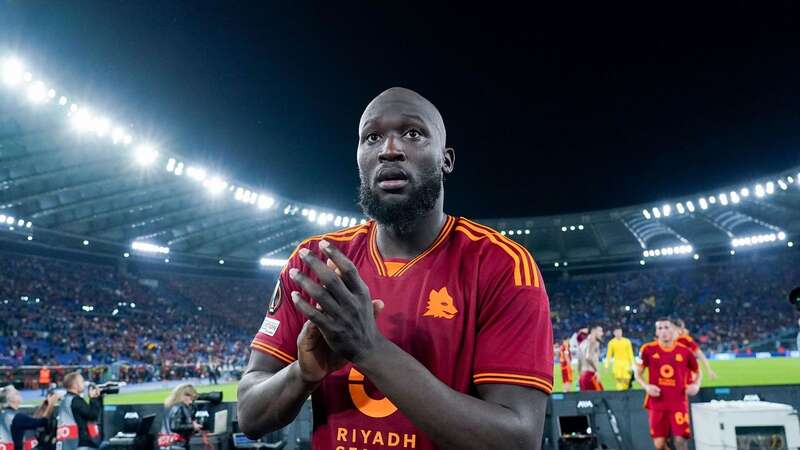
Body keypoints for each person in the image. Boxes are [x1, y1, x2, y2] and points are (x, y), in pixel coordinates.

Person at [238, 87, 553, 450]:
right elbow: (250, 414)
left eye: (413, 133)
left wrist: (368, 348)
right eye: (372, 137)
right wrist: (302, 374)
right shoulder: (314, 261)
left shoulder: (501, 265)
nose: (389, 149)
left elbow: (518, 441)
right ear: (359, 157)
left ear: (446, 159)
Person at [634, 319, 702, 450]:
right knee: (659, 444)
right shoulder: (647, 349)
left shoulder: (685, 352)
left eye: (666, 327)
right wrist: (646, 386)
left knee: (680, 440)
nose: (663, 331)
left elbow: (697, 371)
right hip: (657, 403)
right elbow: (638, 373)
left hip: (678, 403)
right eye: (660, 328)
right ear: (656, 332)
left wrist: (696, 385)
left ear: (674, 331)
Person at [1, 385, 55, 450]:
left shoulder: (6, 413)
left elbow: (31, 420)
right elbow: (43, 422)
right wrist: (52, 403)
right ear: (11, 399)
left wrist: (44, 406)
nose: (20, 393)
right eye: (16, 393)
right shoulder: (16, 417)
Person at [56, 372, 101, 450]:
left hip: (67, 443)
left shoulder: (65, 400)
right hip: (80, 443)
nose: (84, 384)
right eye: (82, 382)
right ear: (75, 384)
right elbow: (93, 415)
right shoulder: (76, 400)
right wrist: (93, 398)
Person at [157, 384, 201, 450]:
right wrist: (193, 426)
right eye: (191, 397)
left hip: (169, 444)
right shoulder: (180, 407)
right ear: (183, 396)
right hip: (175, 445)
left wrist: (193, 427)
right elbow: (175, 426)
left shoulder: (172, 406)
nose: (192, 401)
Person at [578, 325, 604, 391]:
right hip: (591, 375)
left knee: (585, 400)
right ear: (593, 331)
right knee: (602, 398)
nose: (602, 333)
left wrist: (580, 375)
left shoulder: (583, 343)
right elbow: (588, 357)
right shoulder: (593, 342)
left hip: (583, 376)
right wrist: (597, 371)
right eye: (600, 331)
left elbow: (579, 360)